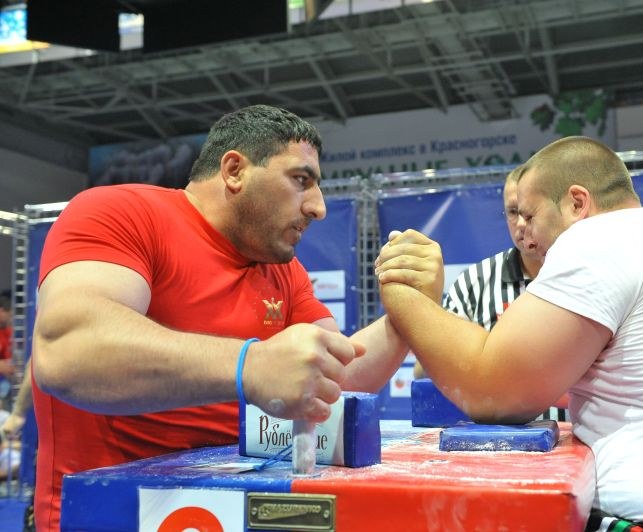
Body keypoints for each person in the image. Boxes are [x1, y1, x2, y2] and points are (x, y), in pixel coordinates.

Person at [30, 105, 442, 532]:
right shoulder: (121, 212)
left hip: (224, 512)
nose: (318, 207)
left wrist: (411, 309)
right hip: (111, 515)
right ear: (234, 171)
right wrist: (251, 365)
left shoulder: (282, 270)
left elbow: (334, 378)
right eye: (301, 180)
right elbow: (66, 351)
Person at [375, 136, 643, 531]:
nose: (525, 234)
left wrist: (401, 289)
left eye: (531, 215)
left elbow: (493, 394)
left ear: (577, 203)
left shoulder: (601, 238)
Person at [414, 165, 567, 421]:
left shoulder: (584, 275)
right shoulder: (473, 283)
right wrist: (460, 345)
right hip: (497, 439)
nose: (521, 223)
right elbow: (423, 371)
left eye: (530, 212)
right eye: (513, 212)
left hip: (579, 435)